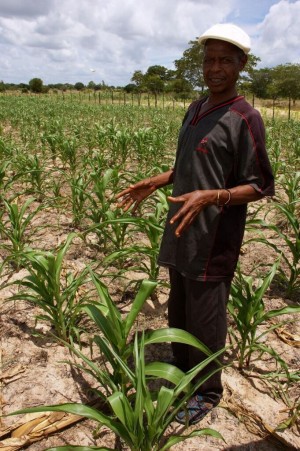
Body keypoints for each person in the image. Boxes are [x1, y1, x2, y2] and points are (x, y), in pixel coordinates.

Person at [116, 23, 275, 425]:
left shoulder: (245, 117)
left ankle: (207, 391)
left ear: (241, 65)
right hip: (183, 230)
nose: (214, 67)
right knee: (180, 310)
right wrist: (160, 179)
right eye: (209, 59)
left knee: (206, 317)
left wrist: (214, 196)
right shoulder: (196, 108)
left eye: (225, 60)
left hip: (213, 239)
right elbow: (195, 163)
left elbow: (260, 186)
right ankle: (184, 367)